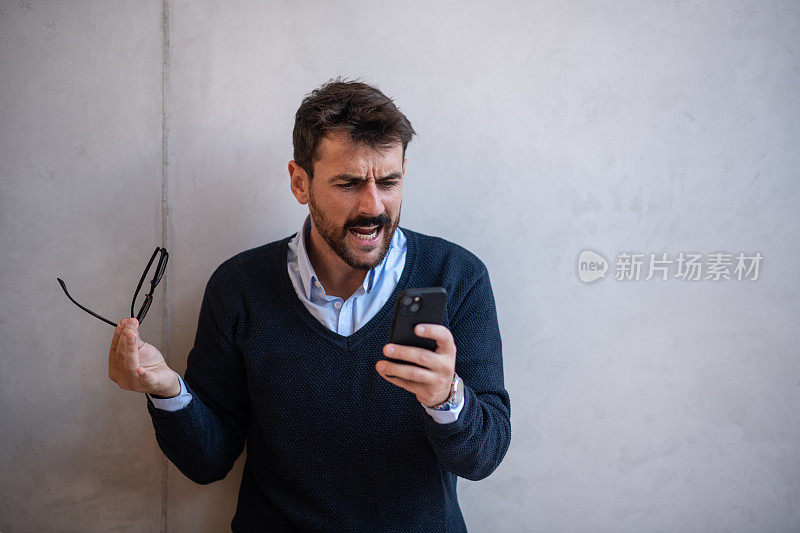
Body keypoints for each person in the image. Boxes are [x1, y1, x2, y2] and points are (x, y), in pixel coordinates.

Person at [108, 78, 511, 532]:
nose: (373, 206)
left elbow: (485, 455)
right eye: (349, 183)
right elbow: (209, 462)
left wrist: (446, 398)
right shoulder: (239, 287)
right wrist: (166, 391)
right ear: (300, 183)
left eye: (390, 181)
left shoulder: (456, 276)